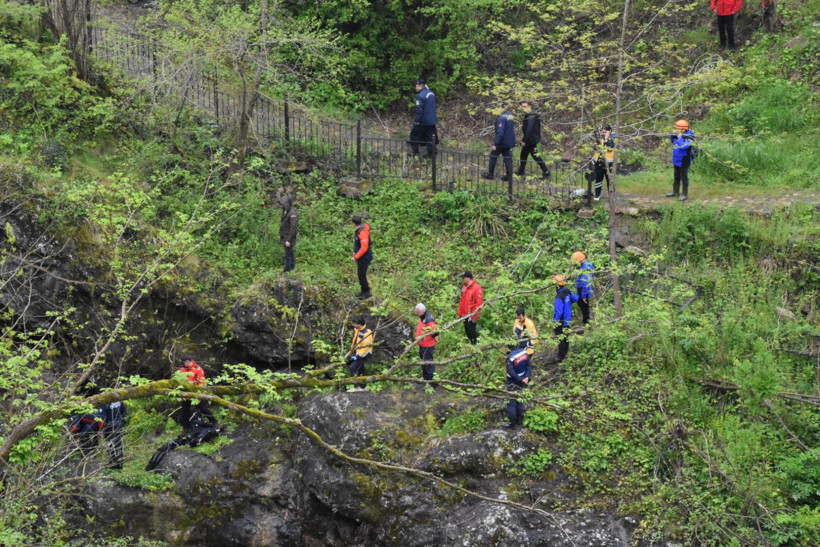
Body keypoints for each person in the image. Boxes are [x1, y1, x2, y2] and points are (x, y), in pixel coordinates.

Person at [177, 356, 217, 430]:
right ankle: (186, 428)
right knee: (185, 411)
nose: (182, 364)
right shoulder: (182, 370)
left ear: (188, 361)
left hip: (196, 394)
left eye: (184, 363)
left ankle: (215, 423)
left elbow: (201, 382)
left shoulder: (197, 369)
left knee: (203, 408)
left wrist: (199, 394)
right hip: (186, 395)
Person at [516, 101, 550, 180]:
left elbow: (529, 129)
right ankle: (521, 170)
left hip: (531, 140)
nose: (523, 108)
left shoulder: (531, 116)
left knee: (535, 156)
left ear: (529, 106)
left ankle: (546, 171)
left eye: (525, 107)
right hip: (531, 138)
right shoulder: (531, 114)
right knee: (523, 155)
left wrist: (524, 140)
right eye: (522, 107)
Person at [503, 338, 531, 429]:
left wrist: (520, 380)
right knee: (520, 399)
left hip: (512, 381)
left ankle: (512, 424)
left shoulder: (510, 358)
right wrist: (526, 377)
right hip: (523, 378)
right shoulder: (524, 352)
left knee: (511, 401)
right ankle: (519, 420)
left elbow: (511, 372)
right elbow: (528, 366)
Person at [482, 109, 516, 181]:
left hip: (502, 142)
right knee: (507, 158)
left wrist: (496, 144)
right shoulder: (510, 117)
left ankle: (490, 174)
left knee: (493, 156)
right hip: (509, 142)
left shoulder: (501, 118)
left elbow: (500, 132)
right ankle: (509, 175)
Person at [667, 120, 696, 201]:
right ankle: (675, 192)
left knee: (684, 177)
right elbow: (672, 141)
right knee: (676, 176)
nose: (676, 130)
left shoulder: (690, 137)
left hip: (684, 160)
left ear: (683, 129)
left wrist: (680, 137)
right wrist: (672, 135)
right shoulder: (678, 134)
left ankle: (684, 194)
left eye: (677, 129)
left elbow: (683, 147)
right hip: (676, 159)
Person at [408, 79, 438, 158]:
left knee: (414, 135)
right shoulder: (431, 93)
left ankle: (415, 153)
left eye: (416, 86)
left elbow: (419, 110)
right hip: (432, 120)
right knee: (430, 137)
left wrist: (417, 121)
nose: (415, 87)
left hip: (423, 120)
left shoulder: (420, 96)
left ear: (420, 86)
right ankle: (432, 153)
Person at [552, 275, 578, 363]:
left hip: (561, 321)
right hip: (568, 319)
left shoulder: (559, 297)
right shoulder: (567, 291)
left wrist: (555, 323)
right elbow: (575, 299)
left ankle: (561, 356)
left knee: (560, 338)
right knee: (566, 337)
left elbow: (558, 312)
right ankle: (565, 353)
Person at [348, 315, 373, 392]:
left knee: (352, 368)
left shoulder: (366, 333)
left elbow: (365, 348)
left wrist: (357, 357)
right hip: (358, 352)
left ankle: (355, 387)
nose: (353, 325)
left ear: (359, 324)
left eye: (354, 324)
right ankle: (363, 387)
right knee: (361, 369)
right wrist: (352, 350)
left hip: (364, 354)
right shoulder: (357, 329)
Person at [414, 303, 438, 384]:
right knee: (424, 363)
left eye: (417, 312)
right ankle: (426, 379)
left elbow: (434, 331)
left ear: (422, 311)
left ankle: (432, 383)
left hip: (427, 346)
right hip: (423, 345)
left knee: (428, 364)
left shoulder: (428, 319)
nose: (416, 313)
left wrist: (436, 336)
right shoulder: (423, 316)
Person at [458, 271, 484, 345]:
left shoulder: (477, 289)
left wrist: (475, 317)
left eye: (463, 278)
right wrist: (460, 313)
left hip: (471, 315)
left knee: (472, 332)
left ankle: (477, 344)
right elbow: (462, 301)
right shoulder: (465, 287)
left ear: (468, 278)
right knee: (468, 332)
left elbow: (479, 305)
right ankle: (472, 345)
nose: (462, 279)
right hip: (464, 315)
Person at [99, 400, 127, 469]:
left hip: (109, 427)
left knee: (110, 444)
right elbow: (124, 411)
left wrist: (102, 428)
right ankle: (120, 463)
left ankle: (112, 463)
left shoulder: (105, 403)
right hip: (119, 425)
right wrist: (120, 420)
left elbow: (103, 417)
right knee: (119, 444)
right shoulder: (120, 402)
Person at [351, 215, 373, 299]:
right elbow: (358, 244)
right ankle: (363, 291)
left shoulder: (362, 232)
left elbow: (364, 248)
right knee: (360, 274)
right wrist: (355, 251)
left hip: (365, 257)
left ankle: (367, 292)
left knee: (361, 274)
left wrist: (355, 257)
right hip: (362, 257)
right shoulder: (360, 230)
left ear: (353, 223)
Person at [593, 125, 615, 201]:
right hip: (599, 162)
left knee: (609, 180)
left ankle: (611, 196)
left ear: (610, 131)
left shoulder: (613, 138)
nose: (604, 133)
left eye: (606, 132)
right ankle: (597, 195)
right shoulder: (599, 138)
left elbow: (610, 148)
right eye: (603, 132)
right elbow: (595, 148)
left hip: (609, 163)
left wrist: (606, 139)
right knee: (598, 179)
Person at [572, 251, 594, 325]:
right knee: (581, 304)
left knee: (584, 306)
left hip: (584, 289)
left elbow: (586, 282)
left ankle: (586, 323)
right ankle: (585, 321)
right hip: (581, 288)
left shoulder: (586, 268)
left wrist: (584, 295)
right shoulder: (584, 265)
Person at [278, 194, 298, 273]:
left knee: (288, 254)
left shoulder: (293, 214)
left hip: (289, 237)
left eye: (282, 204)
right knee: (290, 252)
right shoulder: (285, 211)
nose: (281, 206)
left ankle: (287, 269)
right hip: (285, 236)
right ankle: (292, 266)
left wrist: (288, 240)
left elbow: (293, 228)